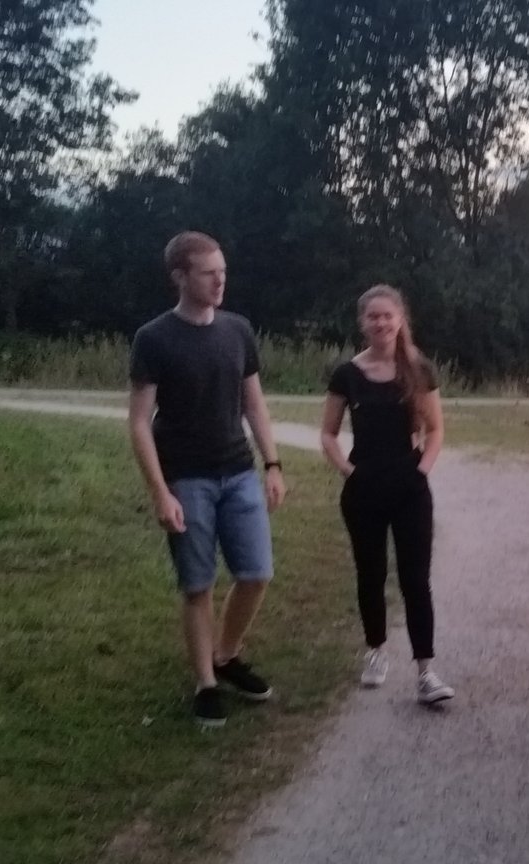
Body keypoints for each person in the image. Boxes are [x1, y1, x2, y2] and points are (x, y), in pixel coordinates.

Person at [128, 231, 287, 728]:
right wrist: (160, 493)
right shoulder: (153, 338)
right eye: (208, 273)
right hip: (186, 479)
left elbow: (253, 403)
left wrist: (273, 464)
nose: (220, 281)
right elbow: (139, 422)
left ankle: (227, 654)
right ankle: (205, 683)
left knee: (256, 573)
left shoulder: (238, 330)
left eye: (223, 271)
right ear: (180, 277)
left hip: (238, 472)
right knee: (198, 585)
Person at [320, 285, 455, 707]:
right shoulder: (347, 374)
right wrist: (348, 470)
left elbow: (436, 429)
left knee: (415, 579)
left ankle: (426, 672)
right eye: (372, 316)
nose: (380, 322)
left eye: (387, 315)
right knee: (371, 573)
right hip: (363, 489)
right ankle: (376, 650)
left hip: (409, 488)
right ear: (362, 323)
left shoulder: (419, 369)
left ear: (400, 320)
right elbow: (328, 433)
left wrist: (421, 470)